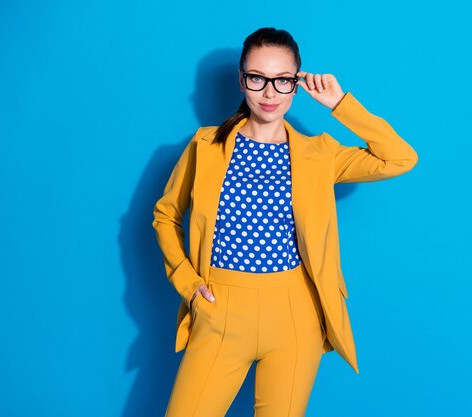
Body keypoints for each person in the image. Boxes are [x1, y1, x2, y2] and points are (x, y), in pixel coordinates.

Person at [152, 27, 419, 417]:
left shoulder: (319, 154)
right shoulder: (206, 146)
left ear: (297, 85)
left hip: (296, 315)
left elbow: (399, 158)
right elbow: (166, 215)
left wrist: (340, 103)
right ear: (242, 80)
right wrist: (190, 286)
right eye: (258, 78)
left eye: (283, 80)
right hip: (220, 308)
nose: (269, 92)